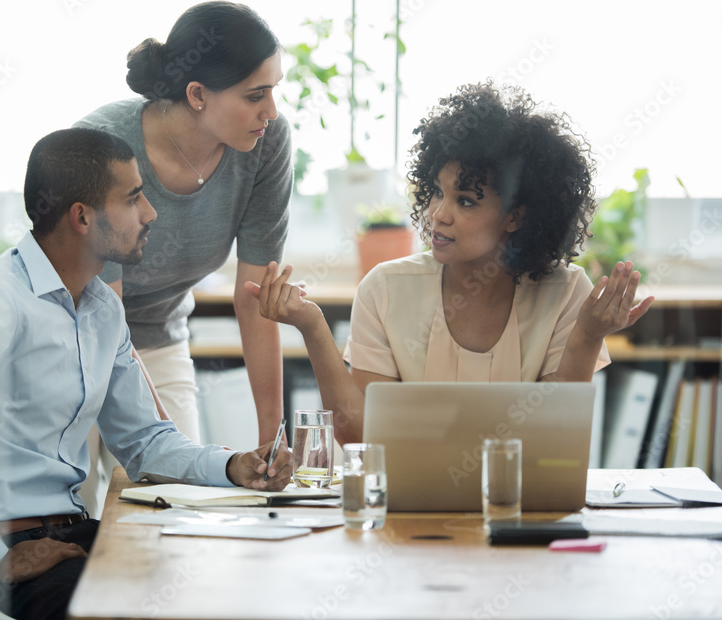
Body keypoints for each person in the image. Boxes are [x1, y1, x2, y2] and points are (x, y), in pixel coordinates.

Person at [0, 128, 292, 620]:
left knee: (221, 578)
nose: (151, 214)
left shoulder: (102, 310)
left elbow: (144, 442)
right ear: (81, 217)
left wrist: (232, 465)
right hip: (3, 544)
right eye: (134, 198)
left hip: (71, 533)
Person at [246, 81, 655, 445]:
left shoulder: (566, 293)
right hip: (406, 514)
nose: (437, 214)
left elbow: (553, 440)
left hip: (517, 511)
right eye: (438, 193)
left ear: (516, 215)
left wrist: (588, 334)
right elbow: (358, 435)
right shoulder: (386, 288)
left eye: (465, 201)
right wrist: (313, 326)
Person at [75, 0, 292, 447]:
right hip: (67, 341)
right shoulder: (104, 148)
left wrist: (273, 440)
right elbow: (104, 316)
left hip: (157, 339)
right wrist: (167, 445)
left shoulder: (266, 144)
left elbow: (256, 299)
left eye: (274, 90)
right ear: (197, 95)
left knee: (173, 505)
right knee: (71, 509)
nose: (270, 111)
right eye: (255, 95)